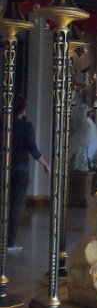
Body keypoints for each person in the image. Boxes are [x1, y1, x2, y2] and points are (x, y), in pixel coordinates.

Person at [8, 96, 50, 252]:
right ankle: (10, 242)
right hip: (20, 170)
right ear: (23, 109)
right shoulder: (26, 127)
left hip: (5, 168)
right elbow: (33, 149)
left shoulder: (4, 123)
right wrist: (45, 164)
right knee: (15, 206)